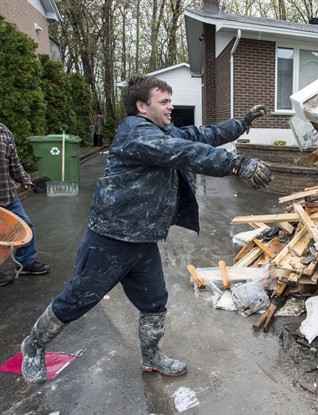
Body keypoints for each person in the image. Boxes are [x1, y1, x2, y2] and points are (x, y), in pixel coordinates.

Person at [20, 75, 272, 384]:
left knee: (154, 302)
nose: (171, 106)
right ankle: (33, 345)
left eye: (170, 100)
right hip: (110, 239)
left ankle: (151, 356)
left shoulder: (162, 130)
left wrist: (241, 123)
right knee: (78, 298)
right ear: (142, 106)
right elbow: (183, 152)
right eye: (164, 101)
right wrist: (235, 163)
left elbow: (199, 135)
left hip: (144, 239)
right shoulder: (136, 134)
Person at [0, 123, 50, 287]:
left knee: (26, 227)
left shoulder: (5, 132)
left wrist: (25, 179)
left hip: (7, 195)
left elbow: (13, 163)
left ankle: (26, 262)